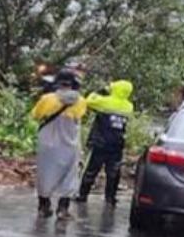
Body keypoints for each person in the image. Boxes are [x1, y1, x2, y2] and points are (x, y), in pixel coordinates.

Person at [31, 69, 87, 220]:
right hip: (70, 144)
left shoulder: (47, 99)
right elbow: (80, 115)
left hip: (48, 143)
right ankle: (63, 209)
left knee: (45, 174)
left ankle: (44, 206)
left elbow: (35, 115)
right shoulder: (81, 101)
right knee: (69, 176)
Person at [76, 80, 134, 205]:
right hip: (117, 144)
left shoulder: (105, 102)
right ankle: (110, 197)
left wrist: (100, 91)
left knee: (91, 169)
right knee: (113, 172)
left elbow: (89, 100)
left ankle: (82, 195)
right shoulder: (129, 106)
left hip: (100, 142)